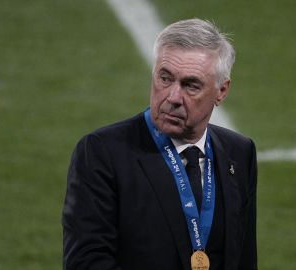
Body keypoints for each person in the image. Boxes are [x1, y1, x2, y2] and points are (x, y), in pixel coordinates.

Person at [62, 18, 257, 270]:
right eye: (165, 79)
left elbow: (243, 259)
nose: (173, 97)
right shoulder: (102, 153)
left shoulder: (239, 153)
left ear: (221, 91)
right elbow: (86, 263)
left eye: (191, 85)